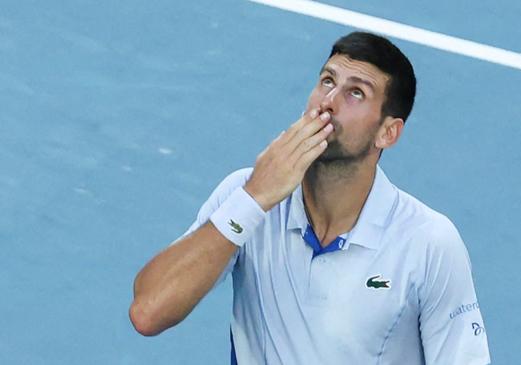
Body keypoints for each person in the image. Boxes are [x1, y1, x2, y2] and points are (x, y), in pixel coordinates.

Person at [129, 31, 491, 364]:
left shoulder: (429, 244)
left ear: (388, 132)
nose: (328, 102)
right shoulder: (246, 197)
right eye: (327, 81)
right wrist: (254, 200)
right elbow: (148, 312)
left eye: (356, 93)